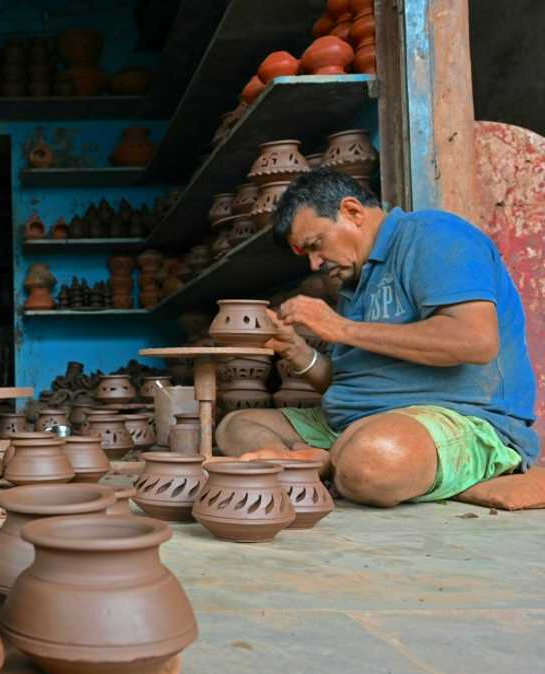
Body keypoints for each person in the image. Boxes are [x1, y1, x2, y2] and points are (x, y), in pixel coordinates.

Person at [216, 168, 539, 508]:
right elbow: (351, 386)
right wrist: (297, 352)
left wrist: (339, 328)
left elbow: (475, 340)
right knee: (236, 425)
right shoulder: (355, 281)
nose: (314, 264)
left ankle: (326, 462)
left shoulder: (433, 235)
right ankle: (307, 462)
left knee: (373, 462)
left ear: (352, 211)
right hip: (354, 426)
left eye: (316, 245)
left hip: (455, 418)